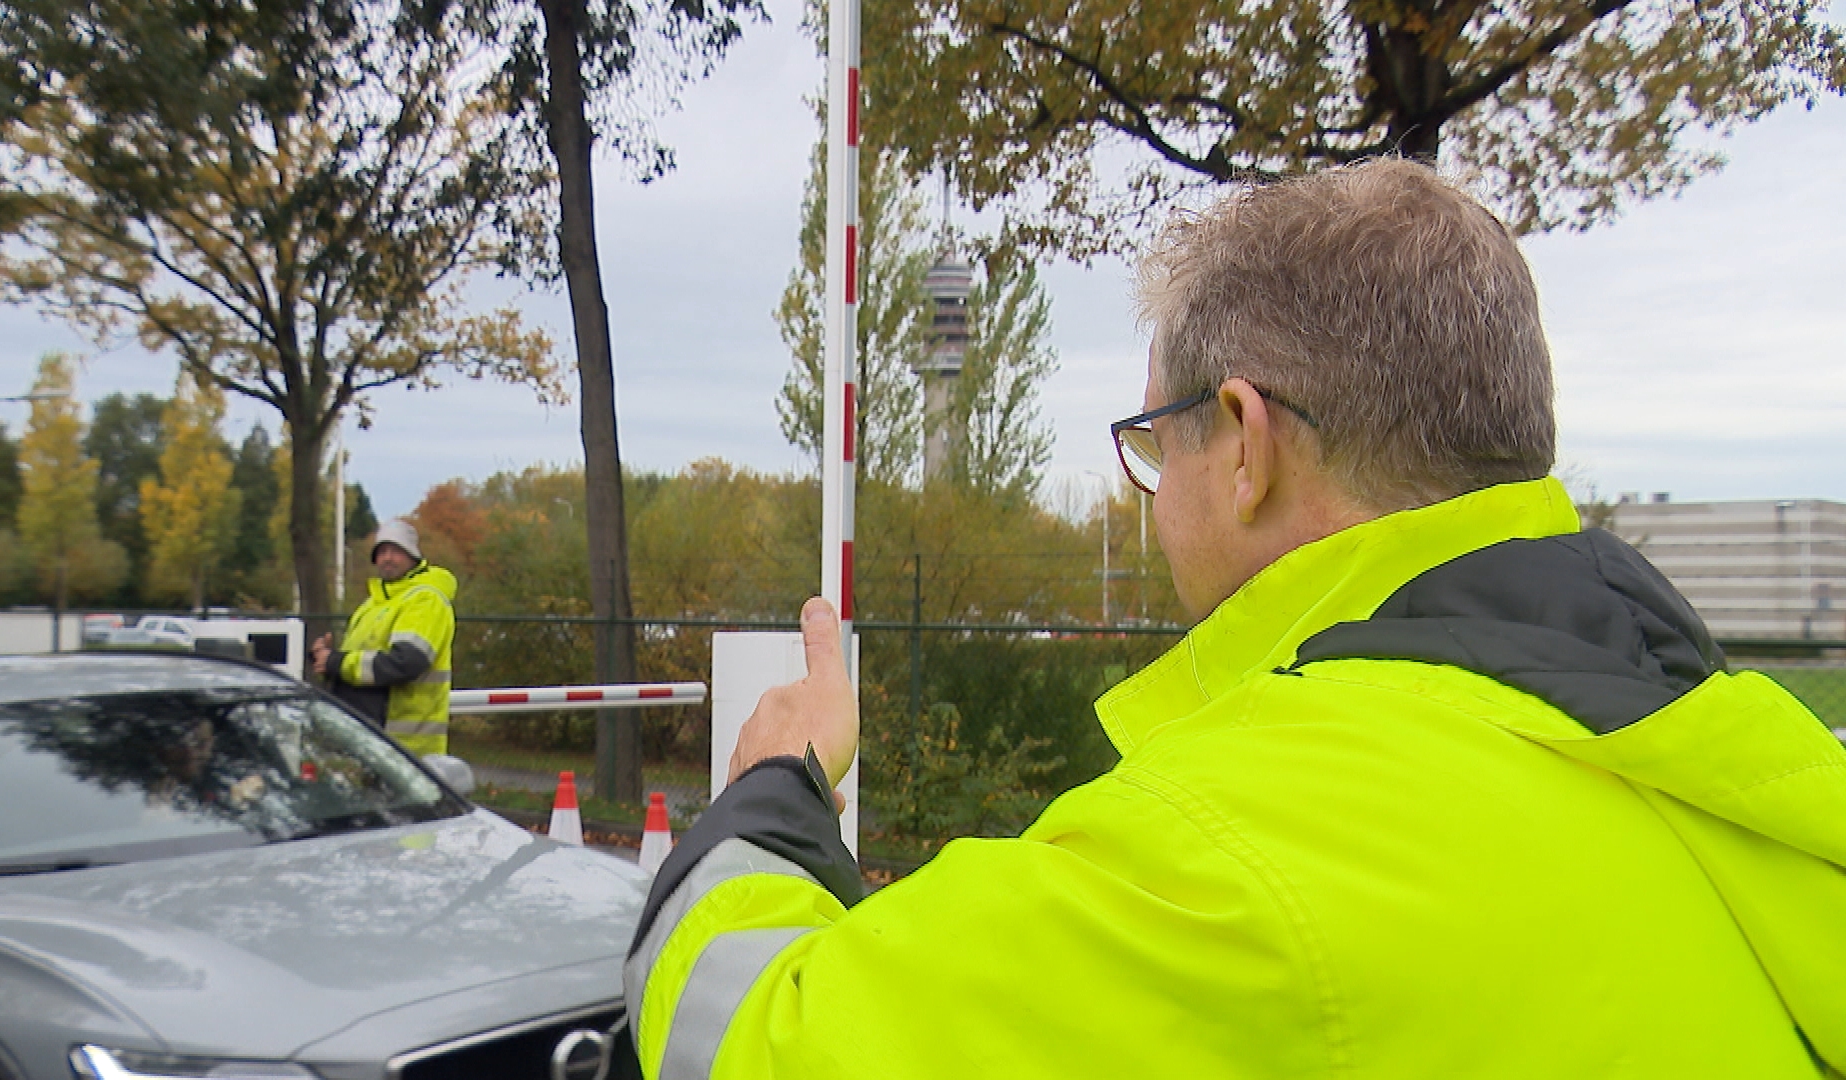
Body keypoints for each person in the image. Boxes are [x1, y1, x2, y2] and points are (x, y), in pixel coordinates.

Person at [622, 159, 1846, 1079]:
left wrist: (773, 795)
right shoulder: (1747, 768)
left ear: (1247, 445)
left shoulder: (1223, 859)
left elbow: (757, 1038)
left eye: (1157, 445)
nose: (1152, 498)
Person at [311, 519, 457, 756]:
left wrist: (337, 662)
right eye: (382, 551)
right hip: (369, 738)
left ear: (413, 557)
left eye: (397, 551)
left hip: (404, 746)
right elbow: (360, 663)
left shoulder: (425, 600)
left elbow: (405, 663)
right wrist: (324, 659)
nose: (388, 558)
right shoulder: (374, 603)